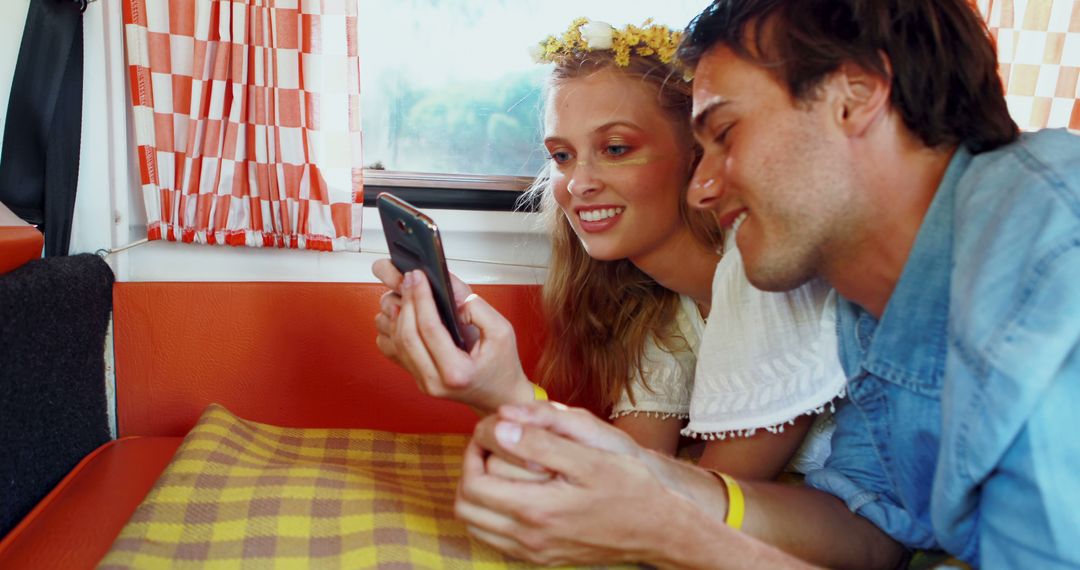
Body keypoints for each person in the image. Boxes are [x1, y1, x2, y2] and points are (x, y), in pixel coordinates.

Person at [455, 1, 1080, 568]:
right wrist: (646, 484)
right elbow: (867, 529)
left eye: (725, 134)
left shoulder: (1045, 251)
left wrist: (672, 533)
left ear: (856, 96)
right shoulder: (871, 314)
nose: (702, 187)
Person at [373, 17, 846, 478]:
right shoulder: (659, 309)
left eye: (616, 148)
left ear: (697, 157)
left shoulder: (763, 279)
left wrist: (506, 392)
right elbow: (625, 474)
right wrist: (487, 383)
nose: (578, 183)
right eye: (562, 156)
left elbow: (695, 509)